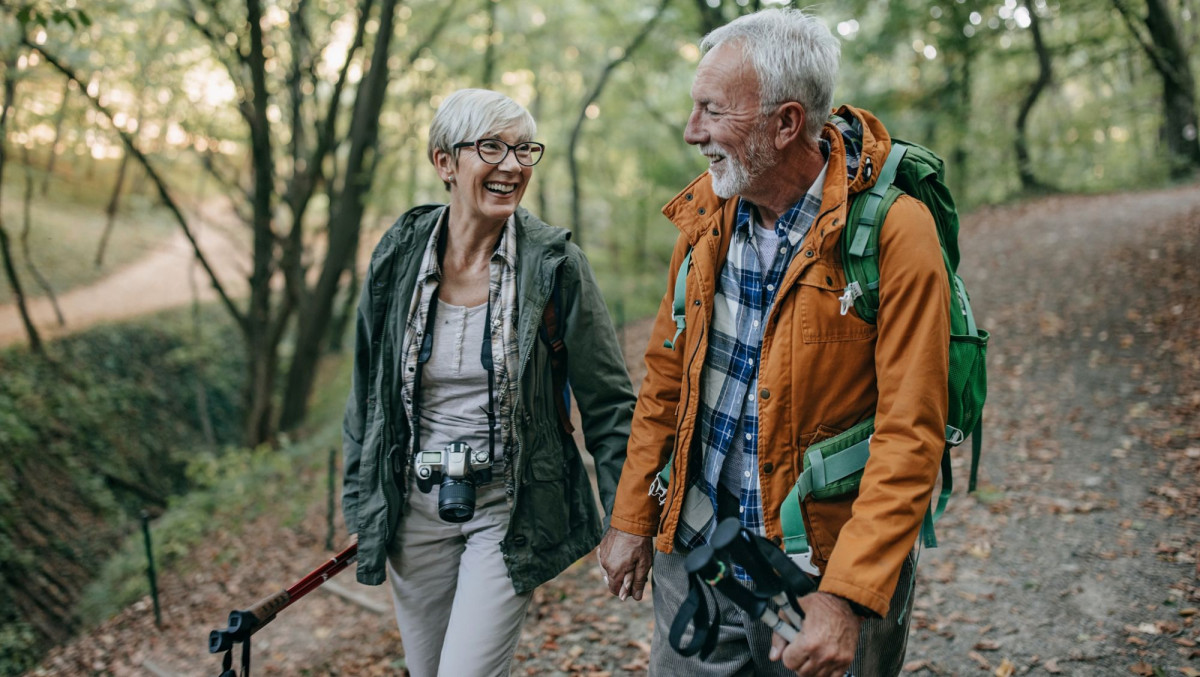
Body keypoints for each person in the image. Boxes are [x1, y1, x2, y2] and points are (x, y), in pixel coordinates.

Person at [598, 8, 950, 677]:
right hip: (698, 549)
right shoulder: (706, 212)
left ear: (785, 123)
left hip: (821, 569)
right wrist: (632, 514)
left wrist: (846, 597)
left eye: (711, 110)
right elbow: (666, 377)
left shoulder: (895, 235)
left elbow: (910, 434)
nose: (690, 130)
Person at [342, 88, 636, 677]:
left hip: (509, 506)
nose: (512, 165)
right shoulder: (397, 255)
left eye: (524, 150)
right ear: (445, 163)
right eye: (492, 147)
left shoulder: (553, 266)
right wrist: (363, 502)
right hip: (413, 507)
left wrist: (626, 522)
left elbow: (609, 405)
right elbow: (366, 394)